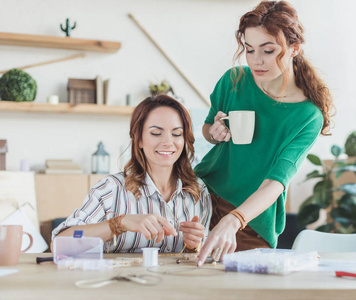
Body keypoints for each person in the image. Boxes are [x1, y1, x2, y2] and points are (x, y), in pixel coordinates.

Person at [195, 0, 334, 266]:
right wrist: (214, 132)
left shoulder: (308, 116)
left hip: (252, 219)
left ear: (294, 48)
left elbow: (276, 182)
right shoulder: (234, 80)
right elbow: (207, 130)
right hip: (202, 198)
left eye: (268, 51)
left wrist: (234, 219)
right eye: (249, 50)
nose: (257, 61)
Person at [53, 95, 212, 253]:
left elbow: (207, 255)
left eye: (177, 134)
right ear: (139, 139)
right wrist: (119, 223)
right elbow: (59, 245)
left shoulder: (198, 192)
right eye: (156, 133)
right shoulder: (111, 189)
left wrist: (194, 246)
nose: (168, 142)